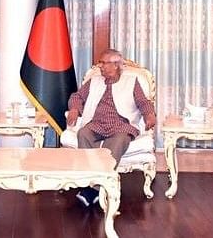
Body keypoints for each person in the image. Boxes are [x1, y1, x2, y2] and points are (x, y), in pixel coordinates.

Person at [65, 48, 156, 208]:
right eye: (100, 63)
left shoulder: (131, 81)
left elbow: (144, 102)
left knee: (117, 142)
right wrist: (74, 109)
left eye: (104, 63)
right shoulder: (94, 81)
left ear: (116, 65)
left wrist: (149, 115)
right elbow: (77, 97)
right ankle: (95, 184)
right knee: (83, 134)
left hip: (121, 125)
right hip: (96, 123)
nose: (100, 66)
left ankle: (93, 189)